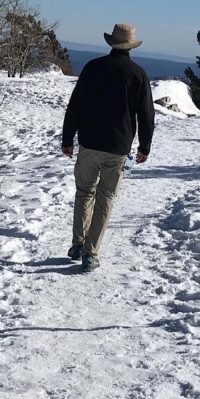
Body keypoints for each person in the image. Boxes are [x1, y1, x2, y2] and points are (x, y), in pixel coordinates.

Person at [61, 23, 155, 272]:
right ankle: (91, 253)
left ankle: (77, 243)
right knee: (106, 198)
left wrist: (67, 139)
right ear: (131, 46)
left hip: (89, 142)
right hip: (118, 147)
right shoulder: (138, 74)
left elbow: (75, 105)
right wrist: (144, 146)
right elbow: (146, 115)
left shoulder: (93, 68)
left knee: (84, 193)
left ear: (111, 43)